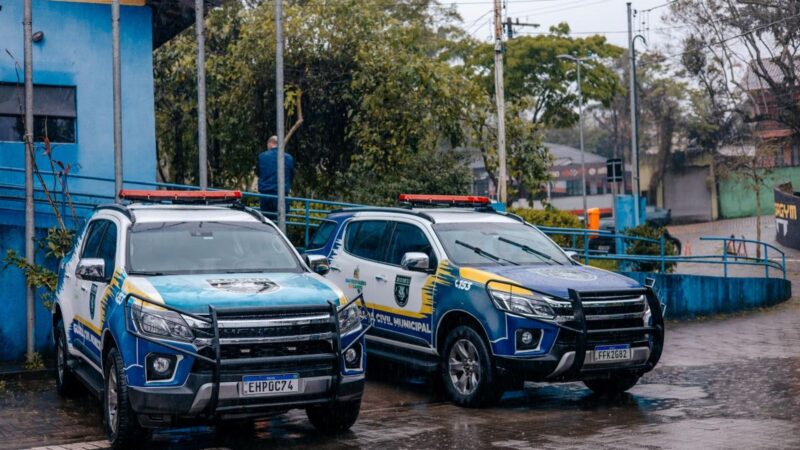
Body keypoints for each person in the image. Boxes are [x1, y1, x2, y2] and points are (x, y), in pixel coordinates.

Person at [257, 135, 295, 217]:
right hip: (282, 195)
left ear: (270, 144)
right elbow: (291, 175)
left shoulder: (262, 156)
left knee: (267, 221)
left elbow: (258, 173)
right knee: (282, 221)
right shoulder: (289, 158)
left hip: (265, 195)